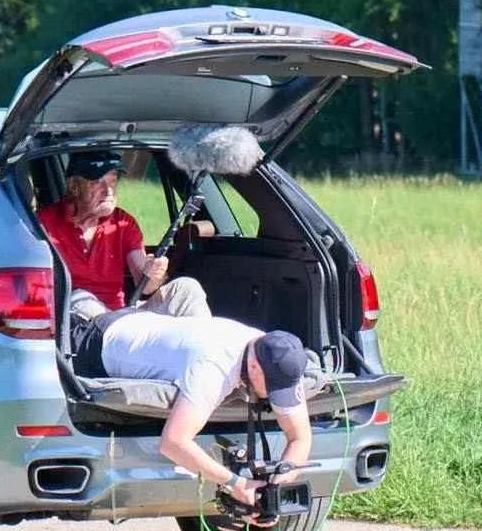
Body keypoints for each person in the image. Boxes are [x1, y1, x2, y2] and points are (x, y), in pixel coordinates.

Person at [97, 307, 313, 512]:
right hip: (104, 338)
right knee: (80, 304)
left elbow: (300, 438)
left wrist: (279, 481)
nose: (275, 395)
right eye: (273, 388)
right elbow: (173, 443)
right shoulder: (212, 369)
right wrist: (236, 484)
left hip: (150, 324)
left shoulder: (277, 354)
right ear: (254, 366)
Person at [37, 150, 209, 319]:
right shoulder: (43, 224)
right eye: (97, 182)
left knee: (187, 289)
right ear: (74, 188)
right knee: (81, 300)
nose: (109, 191)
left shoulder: (123, 222)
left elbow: (146, 287)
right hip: (80, 324)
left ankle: (206, 346)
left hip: (119, 316)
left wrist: (154, 273)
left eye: (112, 182)